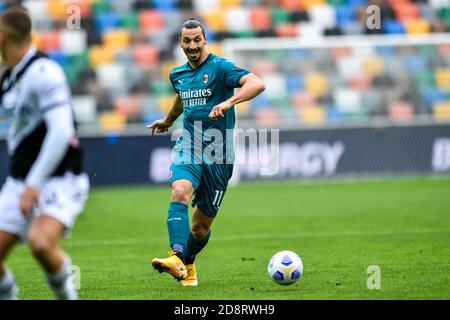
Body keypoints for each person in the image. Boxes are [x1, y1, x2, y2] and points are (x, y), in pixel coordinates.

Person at [148, 19, 265, 286]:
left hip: (219, 154)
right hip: (189, 144)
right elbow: (182, 95)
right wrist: (168, 120)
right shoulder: (177, 74)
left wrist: (229, 101)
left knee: (200, 228)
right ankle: (176, 256)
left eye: (196, 40)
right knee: (179, 190)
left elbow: (257, 83)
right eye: (186, 41)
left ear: (205, 40)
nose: (192, 46)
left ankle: (187, 263)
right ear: (180, 43)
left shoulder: (221, 67)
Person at [0, 7, 89, 300]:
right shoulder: (9, 79)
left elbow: (61, 132)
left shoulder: (44, 72)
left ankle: (67, 296)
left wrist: (34, 183)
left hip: (59, 179)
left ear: (2, 37)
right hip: (19, 181)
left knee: (40, 243)